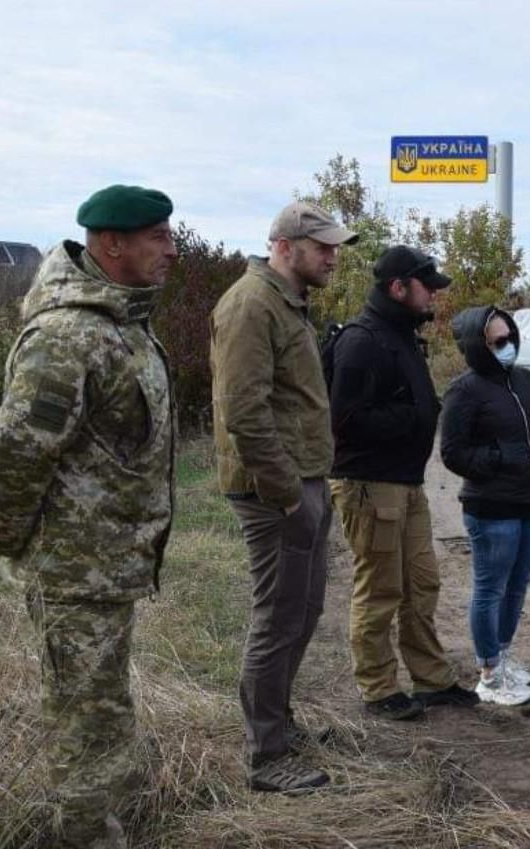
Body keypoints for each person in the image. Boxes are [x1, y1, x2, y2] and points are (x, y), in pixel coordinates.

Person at [0, 185, 177, 848]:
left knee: (101, 713)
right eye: (158, 237)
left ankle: (93, 824)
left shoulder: (120, 321)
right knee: (86, 726)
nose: (171, 249)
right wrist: (14, 546)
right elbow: (13, 456)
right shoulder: (67, 335)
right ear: (111, 243)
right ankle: (84, 835)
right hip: (73, 570)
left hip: (105, 566)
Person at [210, 201, 357, 792]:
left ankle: (279, 725)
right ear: (284, 245)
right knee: (277, 618)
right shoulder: (251, 303)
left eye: (333, 246)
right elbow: (243, 410)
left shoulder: (288, 303)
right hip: (276, 492)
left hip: (302, 483)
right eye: (322, 246)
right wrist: (289, 493)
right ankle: (266, 757)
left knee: (306, 608)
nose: (332, 256)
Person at [328, 245, 480, 721]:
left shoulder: (400, 334)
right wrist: (415, 415)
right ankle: (377, 689)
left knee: (421, 584)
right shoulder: (363, 340)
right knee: (380, 590)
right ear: (398, 287)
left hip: (405, 484)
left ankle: (432, 680)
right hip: (370, 485)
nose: (433, 293)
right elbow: (345, 419)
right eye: (426, 285)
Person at [440, 306, 530, 706]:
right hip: (491, 507)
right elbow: (452, 452)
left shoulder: (521, 380)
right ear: (478, 346)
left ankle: (502, 653)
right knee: (490, 588)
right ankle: (488, 672)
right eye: (498, 342)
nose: (508, 347)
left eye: (511, 338)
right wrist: (498, 460)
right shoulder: (464, 390)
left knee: (518, 586)